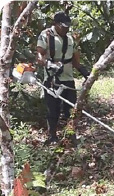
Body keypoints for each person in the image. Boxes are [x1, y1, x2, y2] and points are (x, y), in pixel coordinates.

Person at [36, 11, 89, 145]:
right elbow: (39, 56)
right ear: (56, 24)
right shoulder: (46, 35)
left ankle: (71, 135)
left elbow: (76, 61)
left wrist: (85, 73)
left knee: (71, 109)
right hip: (52, 78)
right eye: (64, 26)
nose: (66, 28)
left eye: (68, 26)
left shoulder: (70, 39)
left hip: (68, 78)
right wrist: (49, 64)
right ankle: (52, 136)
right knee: (53, 109)